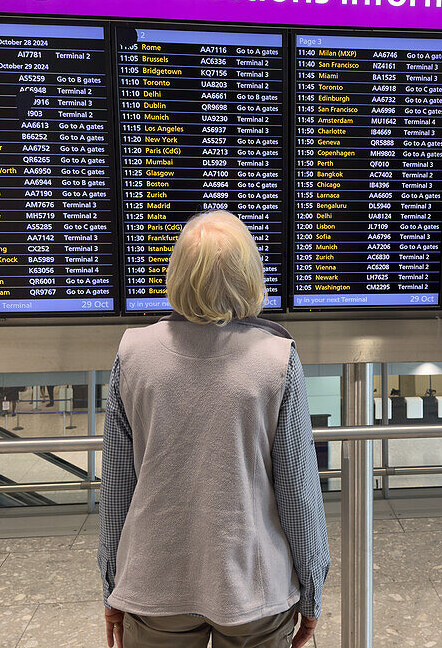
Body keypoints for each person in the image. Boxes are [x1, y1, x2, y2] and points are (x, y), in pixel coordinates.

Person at [98, 211, 329, 648]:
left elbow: (116, 488)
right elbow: (299, 492)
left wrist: (111, 585)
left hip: (152, 584)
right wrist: (312, 592)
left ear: (177, 273)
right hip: (253, 586)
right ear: (249, 276)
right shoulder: (278, 360)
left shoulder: (132, 354)